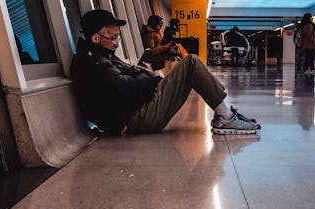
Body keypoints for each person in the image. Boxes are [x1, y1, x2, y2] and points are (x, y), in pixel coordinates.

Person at [70, 8, 260, 136]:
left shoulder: (101, 56)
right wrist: (149, 76)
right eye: (113, 37)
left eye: (118, 36)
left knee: (188, 64)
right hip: (135, 120)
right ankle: (226, 117)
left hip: (137, 112)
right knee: (192, 62)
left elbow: (130, 78)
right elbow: (125, 88)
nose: (117, 42)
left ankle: (225, 113)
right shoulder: (92, 62)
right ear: (96, 37)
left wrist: (142, 76)